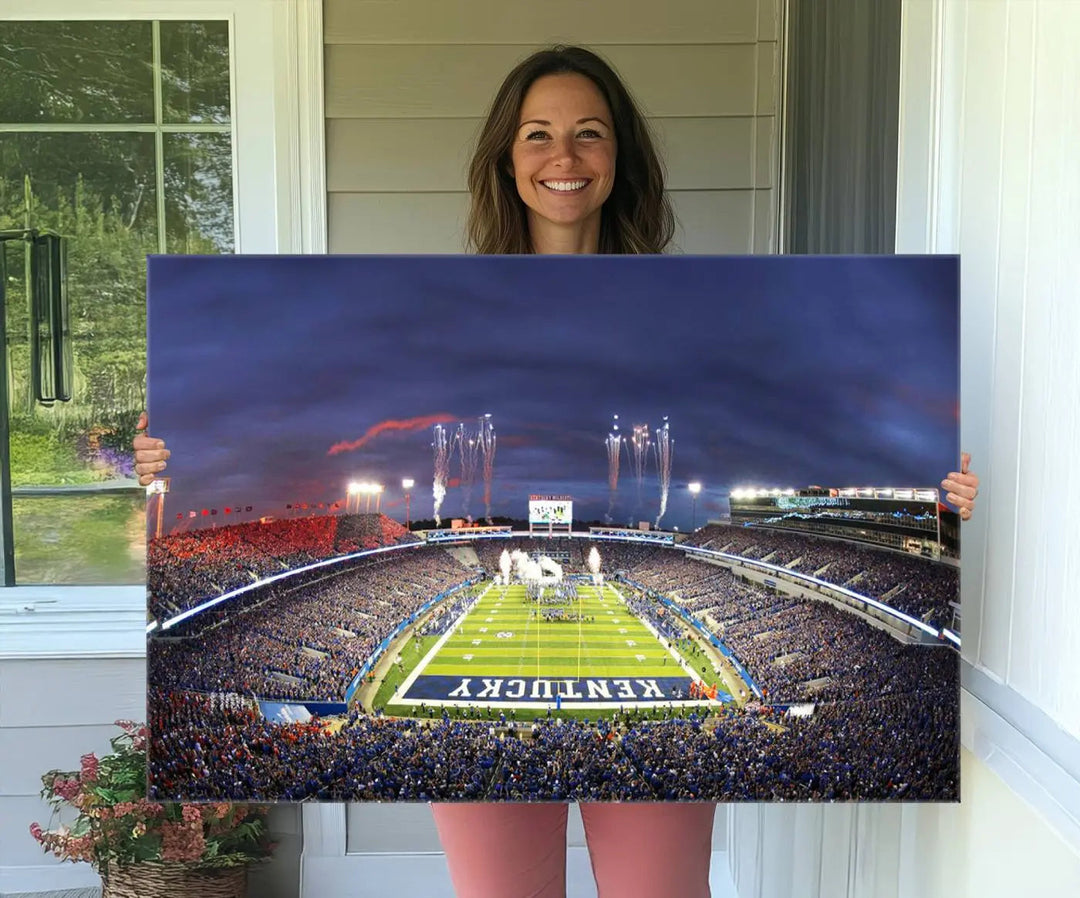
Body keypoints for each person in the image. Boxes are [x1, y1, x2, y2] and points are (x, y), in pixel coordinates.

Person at [134, 45, 980, 898]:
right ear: (507, 156)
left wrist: (931, 497)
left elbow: (798, 428)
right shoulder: (438, 314)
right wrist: (171, 456)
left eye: (589, 134)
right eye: (538, 134)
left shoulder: (686, 313)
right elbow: (321, 416)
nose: (563, 157)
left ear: (620, 158)